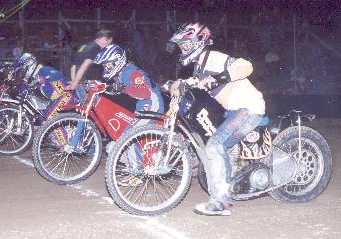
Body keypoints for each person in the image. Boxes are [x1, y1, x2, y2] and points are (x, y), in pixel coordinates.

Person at [169, 22, 265, 216]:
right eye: (181, 46)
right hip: (233, 111)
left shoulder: (213, 58)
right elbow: (196, 82)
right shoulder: (199, 67)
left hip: (249, 108)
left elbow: (245, 66)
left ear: (198, 42)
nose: (183, 49)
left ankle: (220, 202)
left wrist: (219, 78)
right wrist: (176, 84)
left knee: (214, 145)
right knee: (217, 146)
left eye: (185, 45)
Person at [94, 44, 165, 186]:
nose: (106, 68)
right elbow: (119, 90)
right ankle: (137, 167)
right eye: (105, 66)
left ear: (117, 61)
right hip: (142, 107)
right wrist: (101, 86)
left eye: (108, 65)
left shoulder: (132, 72)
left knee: (127, 137)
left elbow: (144, 92)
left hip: (152, 105)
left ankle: (136, 173)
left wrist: (123, 88)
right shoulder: (122, 73)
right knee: (117, 142)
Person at [10, 53, 78, 124]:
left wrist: (45, 79)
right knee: (45, 120)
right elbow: (24, 90)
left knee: (49, 120)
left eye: (23, 68)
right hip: (57, 102)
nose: (22, 72)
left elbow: (59, 77)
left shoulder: (44, 70)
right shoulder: (32, 78)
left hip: (67, 97)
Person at [65, 28, 114, 103]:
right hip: (83, 80)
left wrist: (74, 81)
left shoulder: (85, 45)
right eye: (109, 42)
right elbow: (83, 67)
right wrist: (75, 83)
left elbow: (74, 65)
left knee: (84, 104)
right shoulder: (95, 48)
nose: (108, 45)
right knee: (89, 104)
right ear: (104, 39)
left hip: (78, 79)